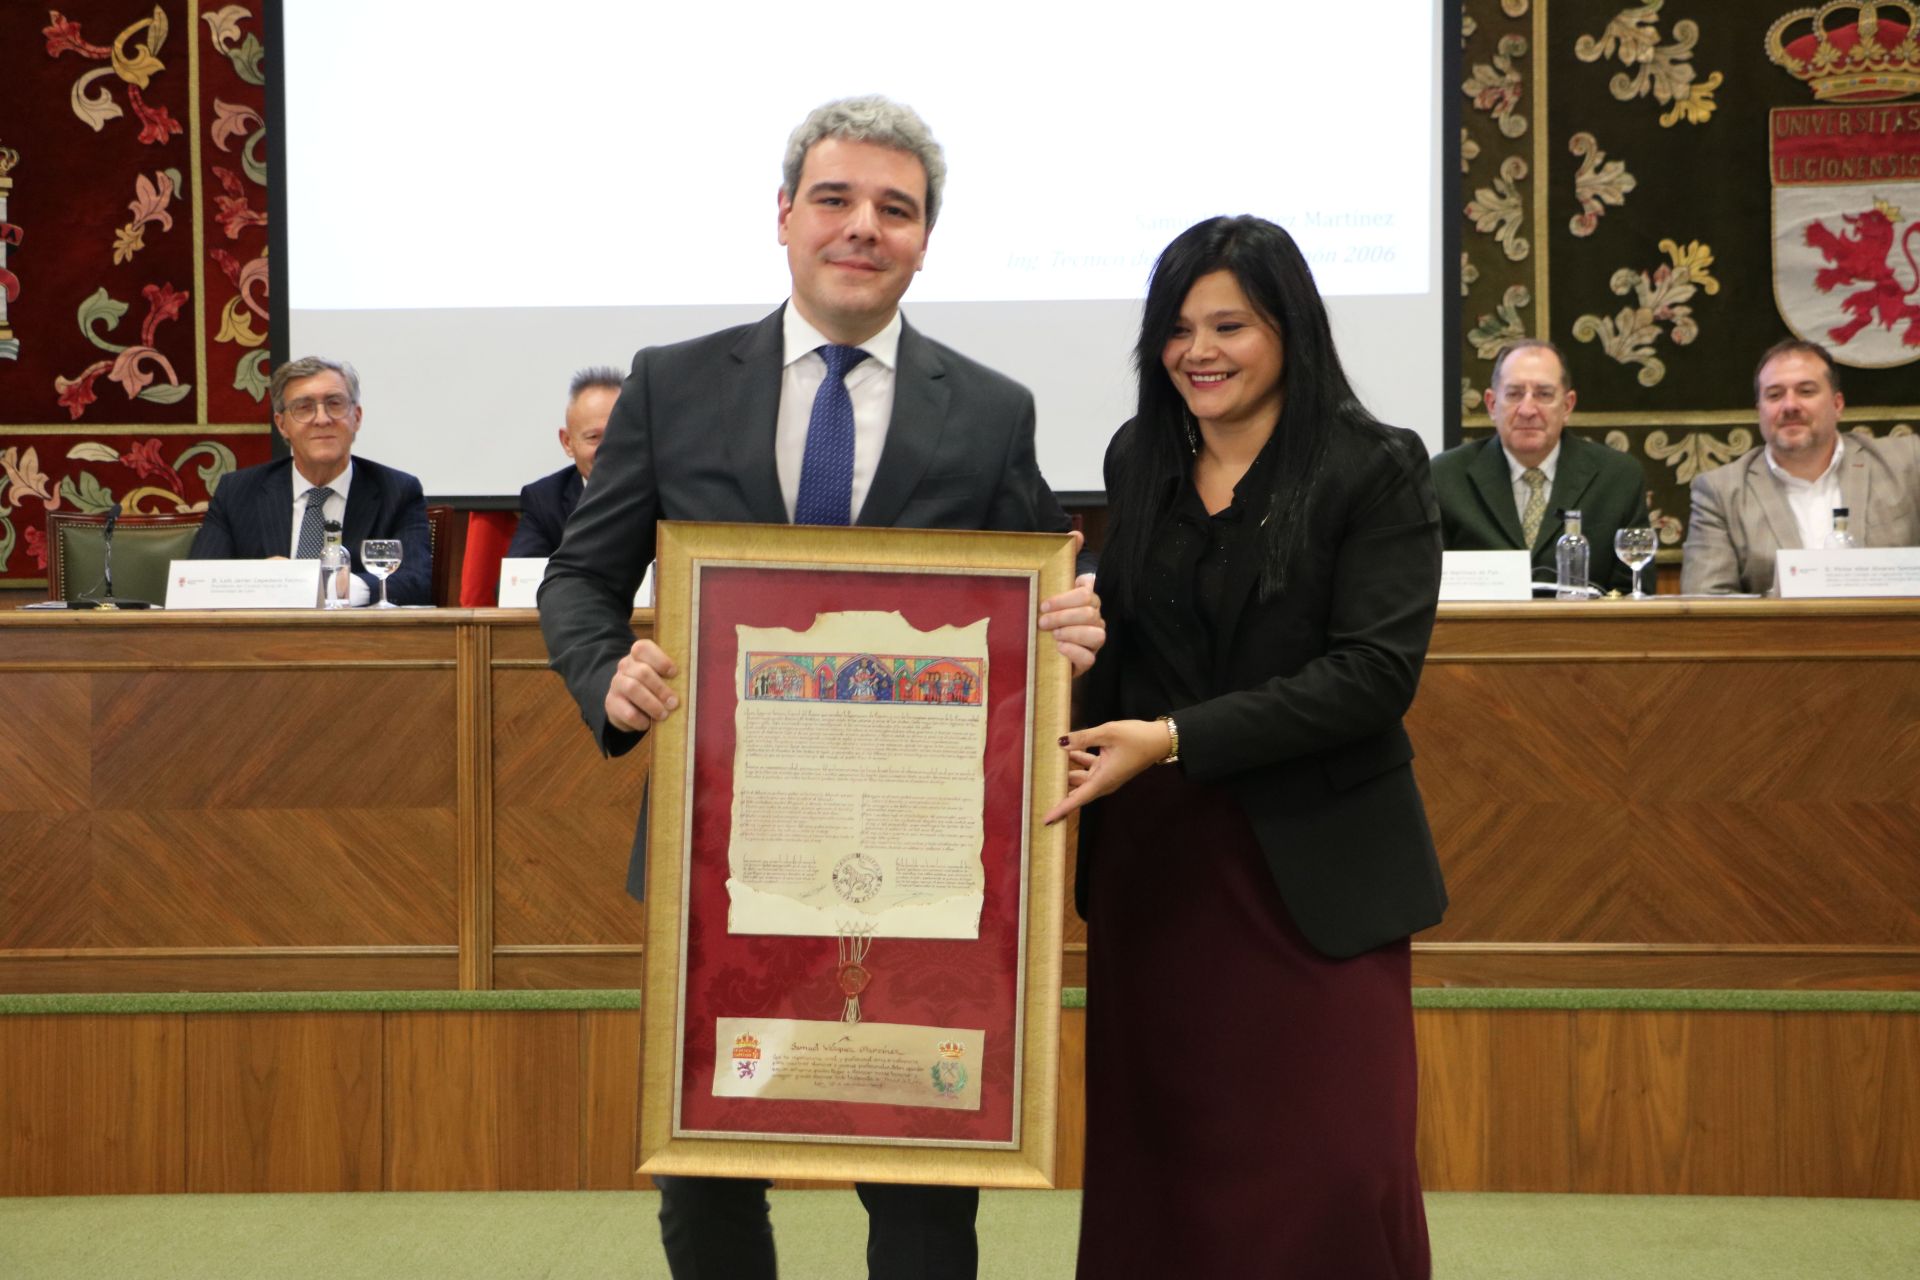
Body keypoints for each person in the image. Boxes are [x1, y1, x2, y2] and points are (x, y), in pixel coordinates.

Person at [537, 96, 1104, 1280]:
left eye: (895, 209)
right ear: (785, 215)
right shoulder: (673, 383)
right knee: (704, 1162)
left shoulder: (992, 408)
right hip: (720, 840)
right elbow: (580, 582)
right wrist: (610, 672)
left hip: (923, 853)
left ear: (924, 238)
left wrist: (1071, 624)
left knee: (922, 1172)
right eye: (836, 200)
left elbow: (1030, 599)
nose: (863, 227)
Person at [1043, 216, 1445, 1279]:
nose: (1199, 350)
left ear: (1290, 329)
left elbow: (1371, 675)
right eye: (1177, 329)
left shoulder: (1377, 466)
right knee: (1164, 1170)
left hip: (1315, 870)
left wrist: (1175, 736)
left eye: (1230, 323)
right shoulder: (1139, 456)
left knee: (1335, 1169)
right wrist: (1076, 652)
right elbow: (1133, 651)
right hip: (1156, 873)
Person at [1683, 338, 1920, 594]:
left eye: (1806, 391)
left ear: (1837, 405)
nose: (1790, 406)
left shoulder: (1907, 462)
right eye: (1774, 395)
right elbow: (1705, 603)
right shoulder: (1721, 491)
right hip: (1779, 634)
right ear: (1759, 411)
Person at [189, 355, 432, 605]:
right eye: (304, 408)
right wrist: (262, 579)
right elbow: (198, 583)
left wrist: (332, 585)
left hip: (360, 641)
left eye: (334, 404)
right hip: (263, 640)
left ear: (356, 418)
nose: (322, 419)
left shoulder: (398, 491)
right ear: (282, 425)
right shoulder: (238, 492)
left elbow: (416, 584)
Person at [1431, 339, 1651, 593]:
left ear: (1567, 406)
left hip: (1584, 632)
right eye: (1514, 394)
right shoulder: (1445, 476)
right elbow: (1426, 585)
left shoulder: (1618, 477)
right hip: (1480, 631)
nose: (1527, 409)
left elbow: (1635, 592)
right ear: (1492, 405)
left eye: (1543, 394)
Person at [505, 366, 621, 558]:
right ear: (568, 442)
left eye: (617, 435)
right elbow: (517, 581)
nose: (607, 449)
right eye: (594, 437)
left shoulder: (663, 492)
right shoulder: (545, 500)